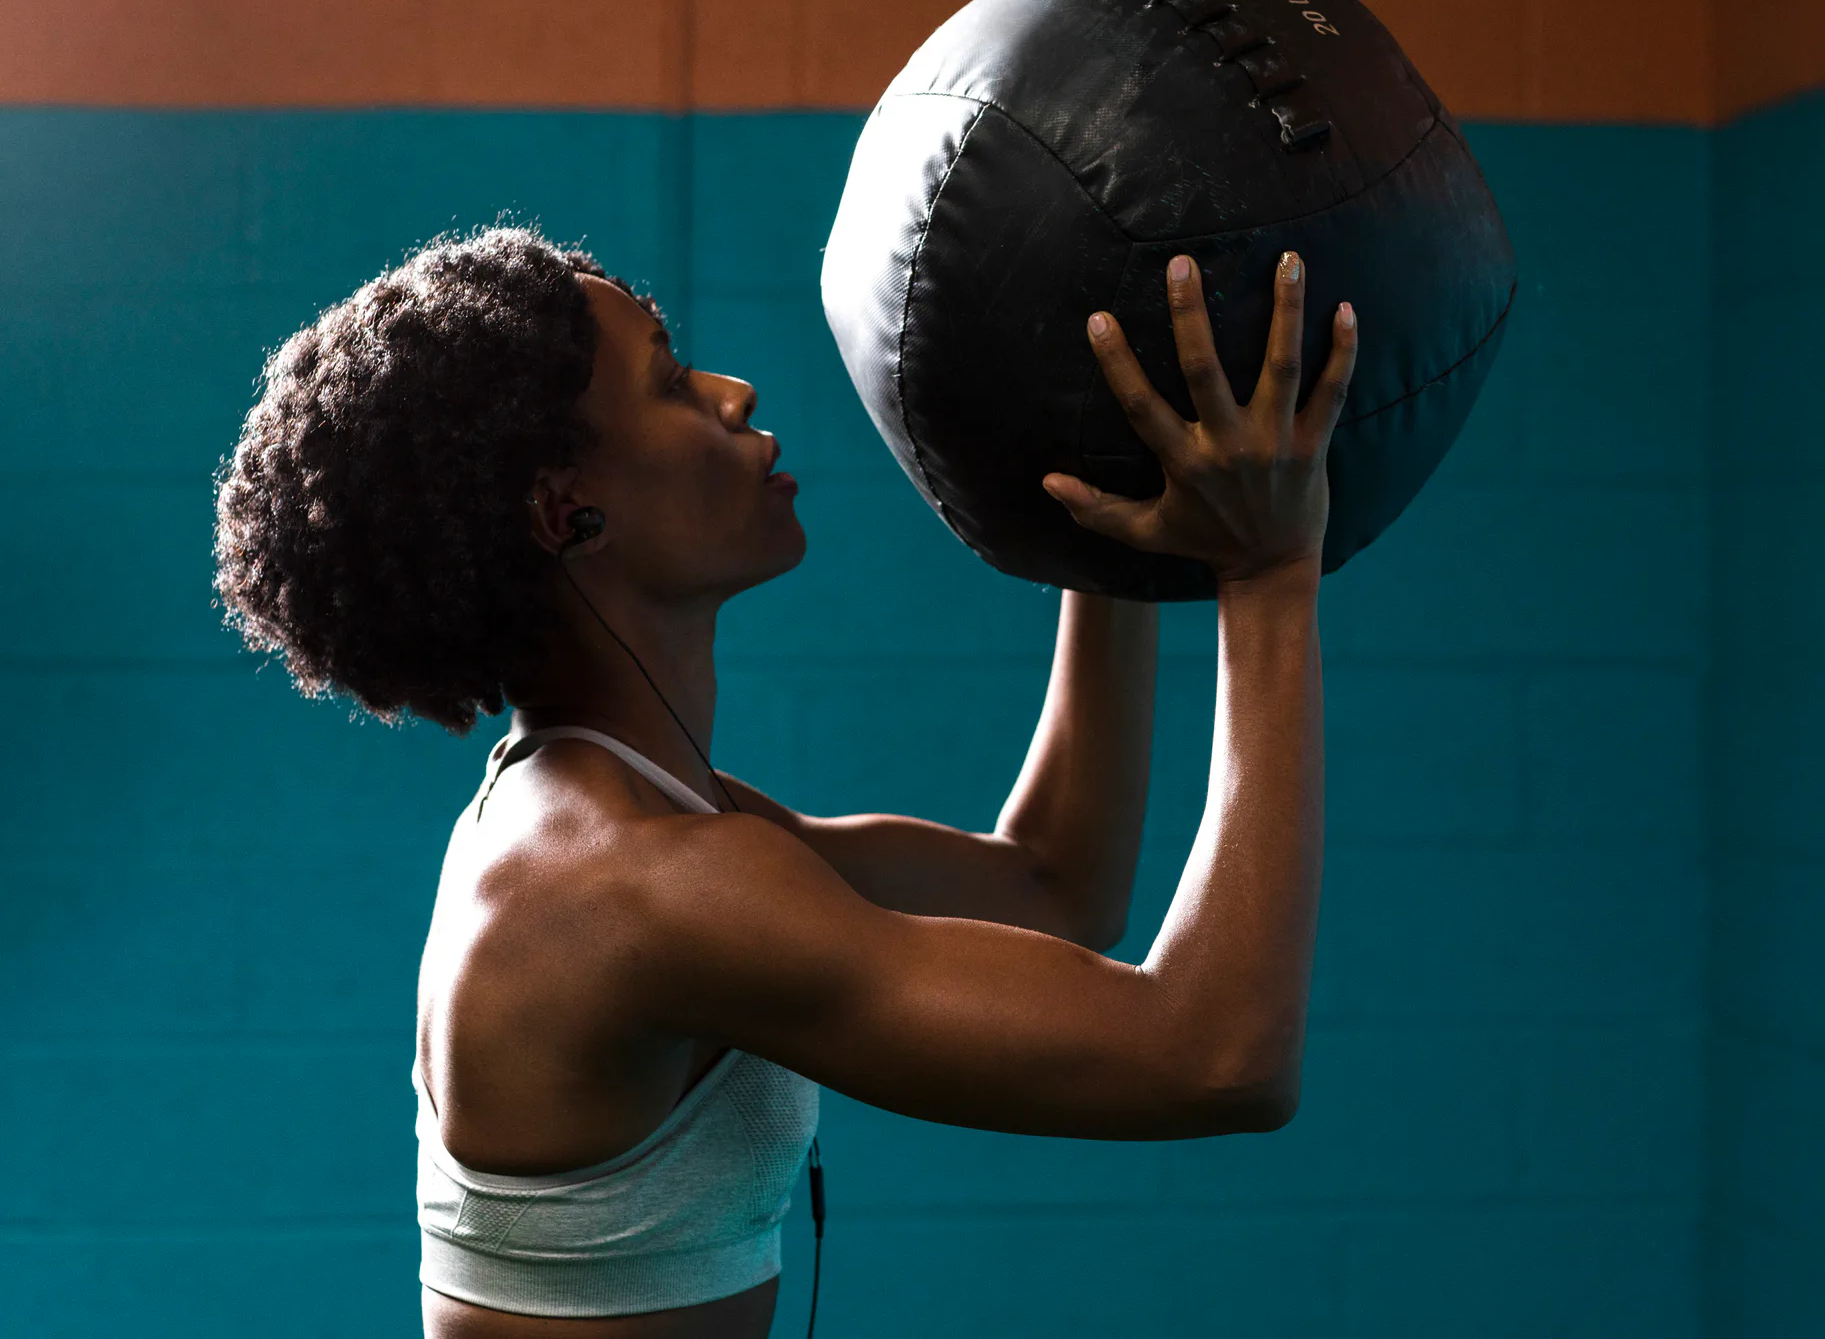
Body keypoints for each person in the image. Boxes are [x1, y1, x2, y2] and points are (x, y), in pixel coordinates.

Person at [212, 227, 1356, 1338]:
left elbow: (1056, 885)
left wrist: (1097, 519)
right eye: (670, 381)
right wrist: (1265, 575)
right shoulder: (637, 884)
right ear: (567, 513)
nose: (733, 393)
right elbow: (1220, 1058)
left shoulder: (619, 811)